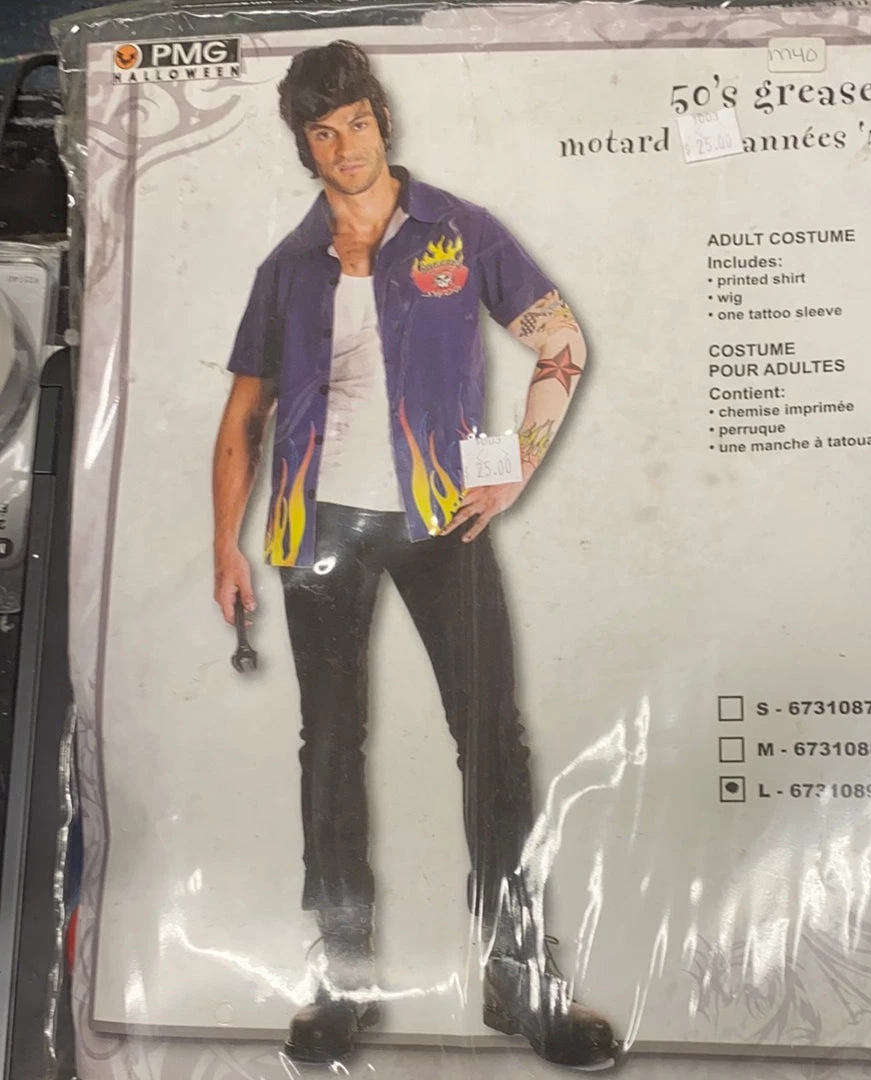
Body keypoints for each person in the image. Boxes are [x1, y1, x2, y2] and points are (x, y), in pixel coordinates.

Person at [211, 40, 617, 1071]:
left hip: (442, 521)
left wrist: (512, 468)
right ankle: (342, 975)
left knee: (492, 742)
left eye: (355, 122)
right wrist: (225, 546)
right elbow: (242, 419)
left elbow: (560, 341)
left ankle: (517, 974)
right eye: (322, 131)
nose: (343, 145)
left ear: (381, 121)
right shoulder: (286, 269)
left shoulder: (459, 231)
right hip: (316, 534)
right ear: (304, 146)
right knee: (328, 748)